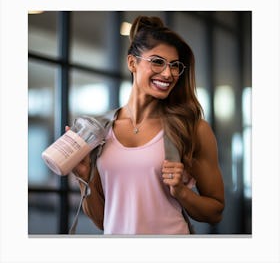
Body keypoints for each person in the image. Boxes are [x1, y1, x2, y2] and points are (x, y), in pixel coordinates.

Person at [70, 15, 225, 235]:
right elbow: (104, 221)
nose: (168, 73)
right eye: (158, 62)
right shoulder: (100, 130)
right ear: (132, 62)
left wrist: (181, 192)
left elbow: (215, 212)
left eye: (175, 66)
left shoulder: (193, 129)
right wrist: (84, 177)